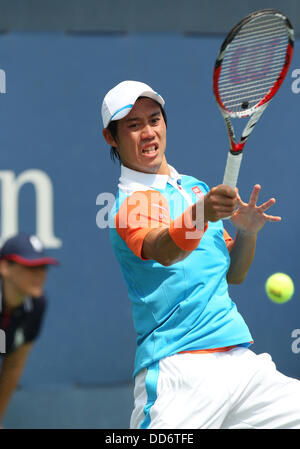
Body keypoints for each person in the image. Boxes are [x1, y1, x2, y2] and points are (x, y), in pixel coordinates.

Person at [101, 80, 300, 429]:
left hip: (240, 362)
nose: (148, 132)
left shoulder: (194, 188)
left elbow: (233, 273)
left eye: (154, 120)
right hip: (180, 370)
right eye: (133, 126)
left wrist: (247, 234)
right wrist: (203, 213)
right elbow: (166, 250)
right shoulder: (130, 204)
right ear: (112, 138)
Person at [0, 232, 58, 427]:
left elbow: (13, 366)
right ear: (5, 267)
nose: (40, 275)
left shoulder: (37, 305)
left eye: (43, 267)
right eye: (30, 267)